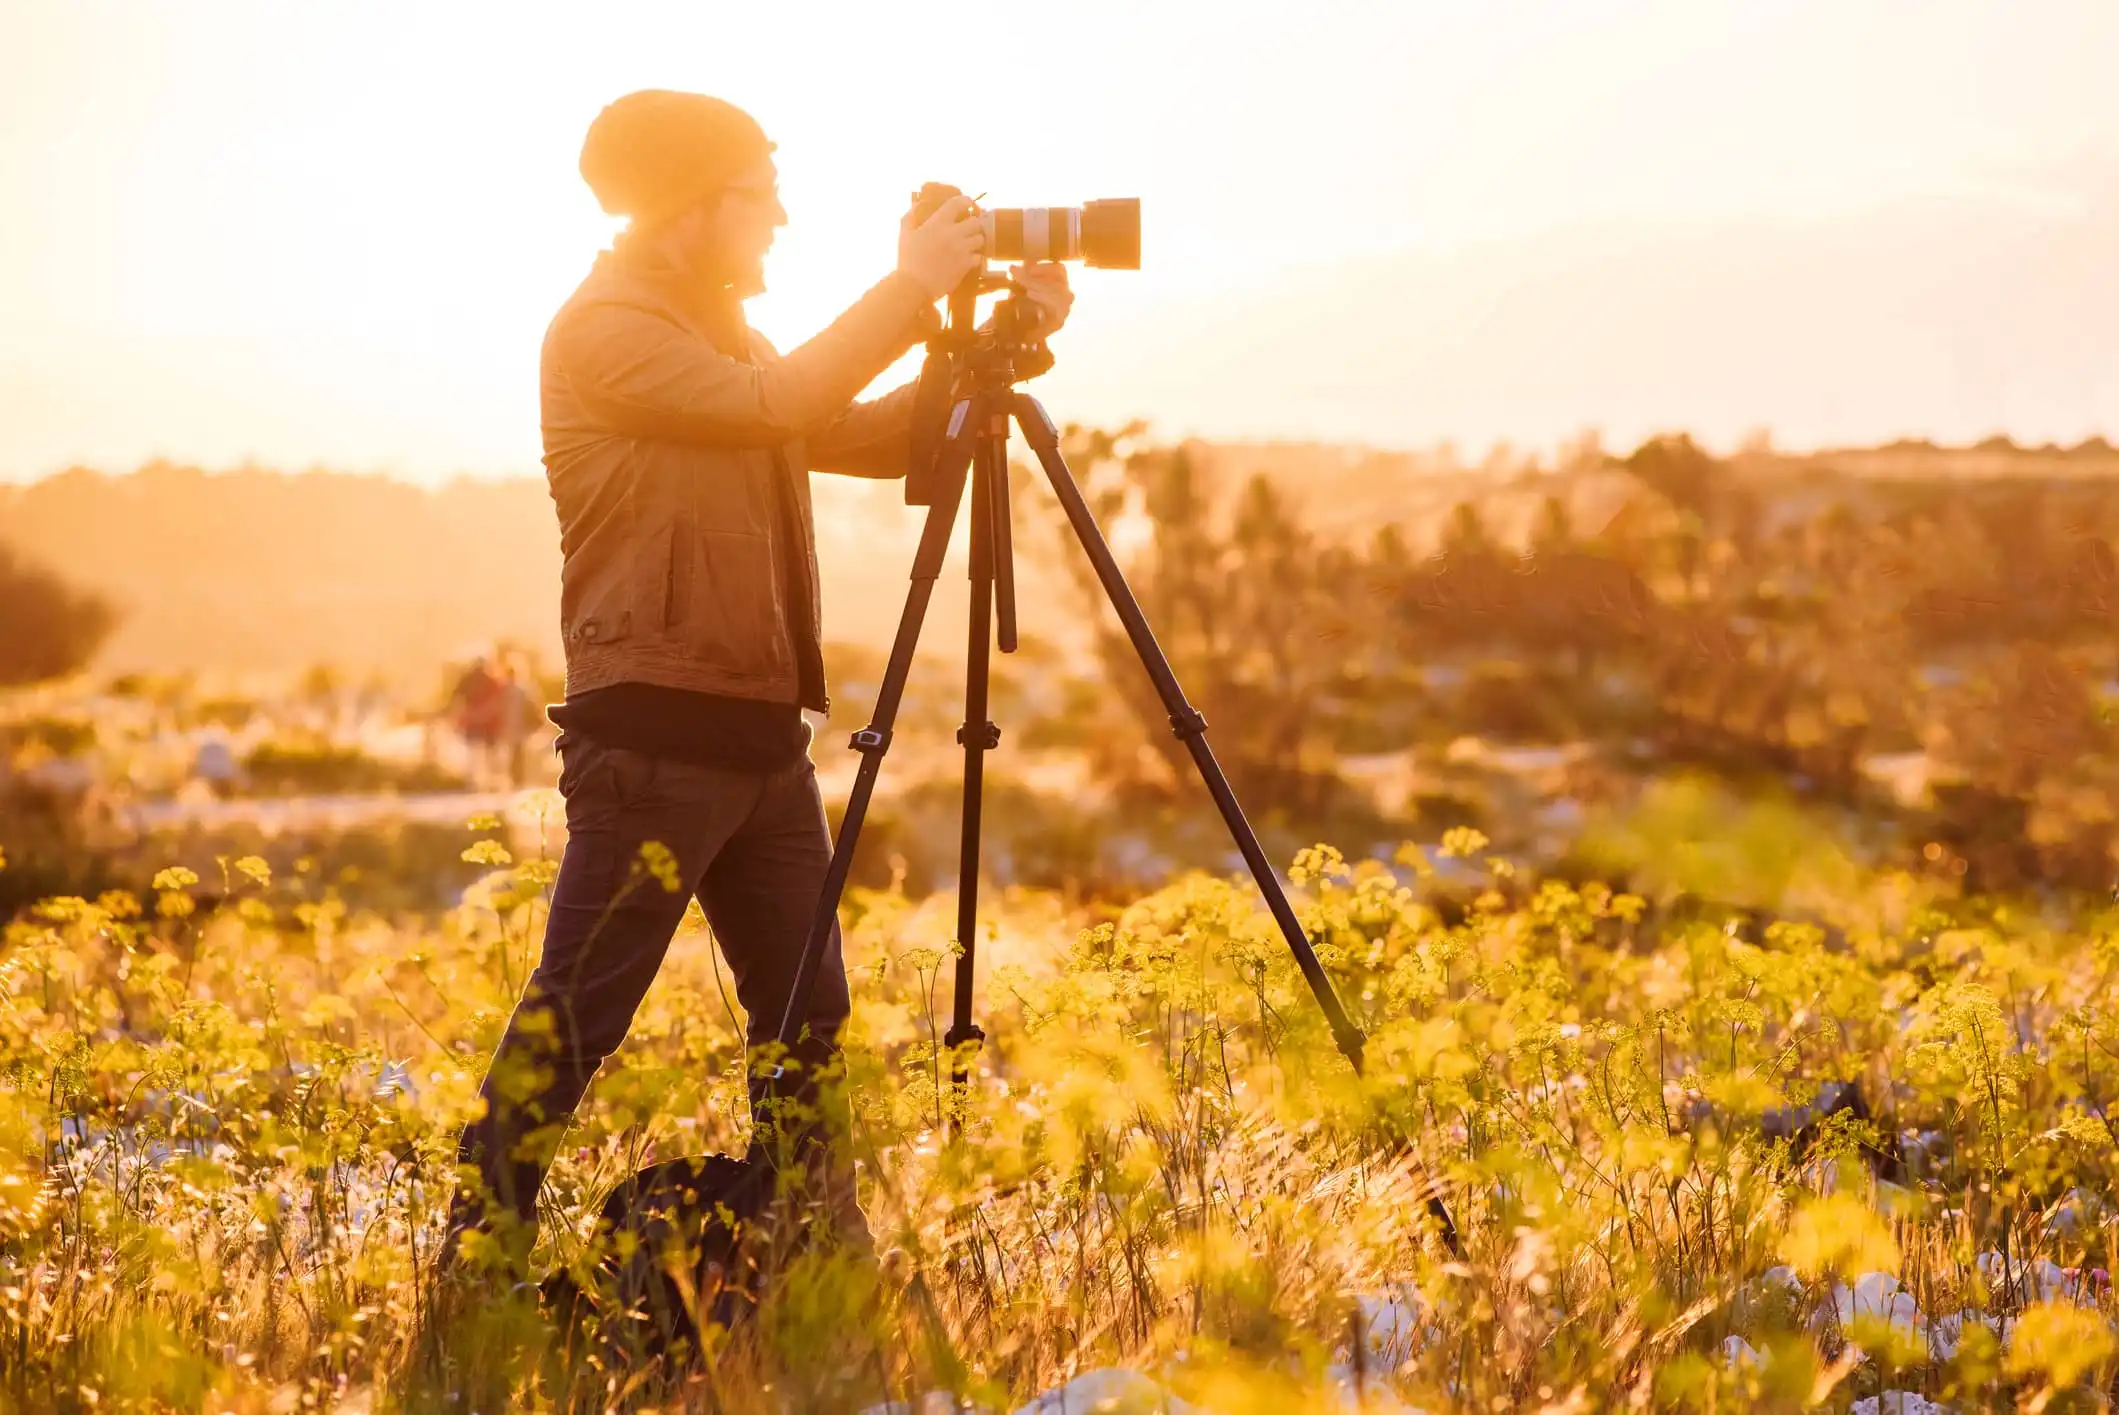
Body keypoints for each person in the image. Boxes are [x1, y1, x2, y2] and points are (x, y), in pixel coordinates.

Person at [445, 90, 1073, 1271]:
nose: (782, 216)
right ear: (690, 203)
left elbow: (870, 435)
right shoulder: (609, 331)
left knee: (806, 1020)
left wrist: (992, 347)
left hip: (755, 731)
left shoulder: (724, 333)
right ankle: (477, 1250)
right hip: (654, 730)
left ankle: (810, 1248)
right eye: (760, 192)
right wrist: (911, 289)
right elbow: (779, 408)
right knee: (579, 1014)